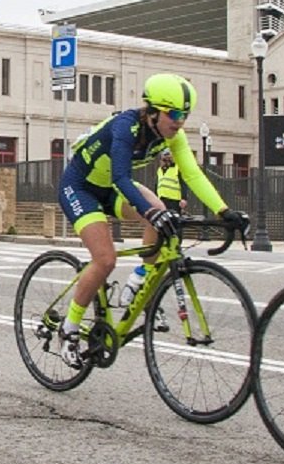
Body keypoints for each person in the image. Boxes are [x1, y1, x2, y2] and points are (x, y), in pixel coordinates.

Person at [55, 73, 246, 366]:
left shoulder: (173, 136)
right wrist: (150, 213)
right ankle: (69, 328)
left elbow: (193, 174)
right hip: (81, 187)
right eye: (175, 114)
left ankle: (138, 281)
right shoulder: (126, 127)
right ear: (153, 111)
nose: (180, 122)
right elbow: (121, 177)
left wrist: (224, 211)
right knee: (105, 259)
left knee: (160, 210)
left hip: (111, 189)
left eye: (185, 115)